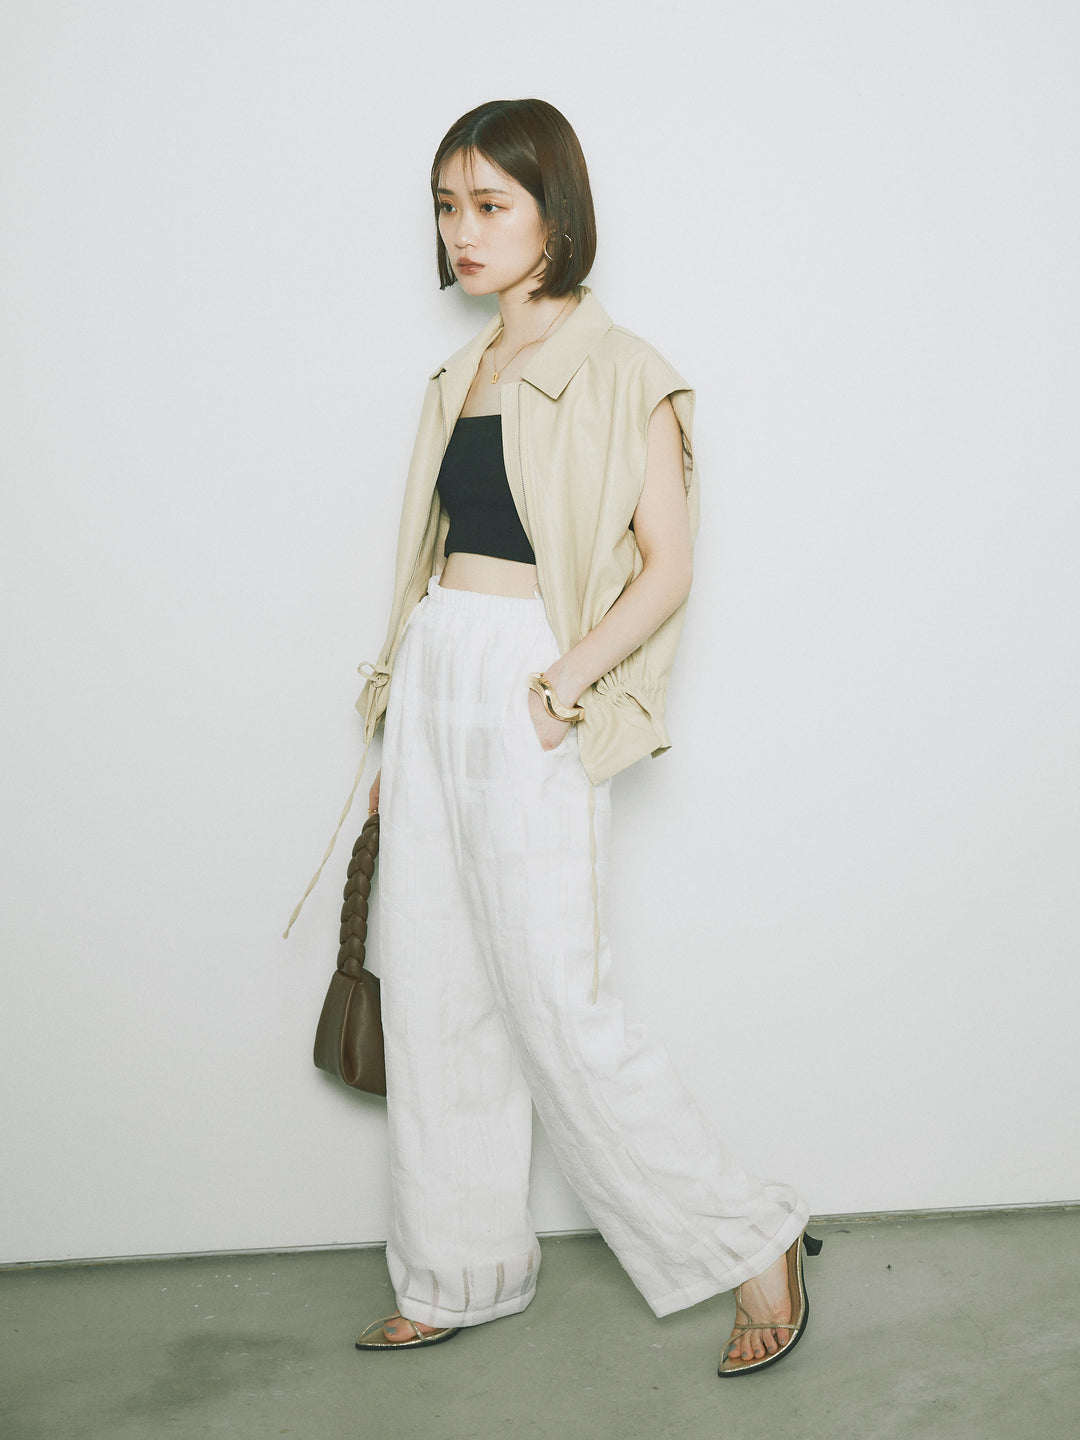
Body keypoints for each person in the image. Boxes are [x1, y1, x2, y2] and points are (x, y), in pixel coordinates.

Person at [289, 98, 819, 1377]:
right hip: (435, 671)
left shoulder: (627, 369)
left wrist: (562, 683)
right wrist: (396, 744)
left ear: (555, 214)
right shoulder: (456, 375)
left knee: (555, 1000)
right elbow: (427, 561)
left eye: (491, 205)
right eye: (446, 206)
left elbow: (667, 565)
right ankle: (456, 1271)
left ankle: (752, 1242)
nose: (461, 232)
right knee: (434, 989)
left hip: (533, 677)